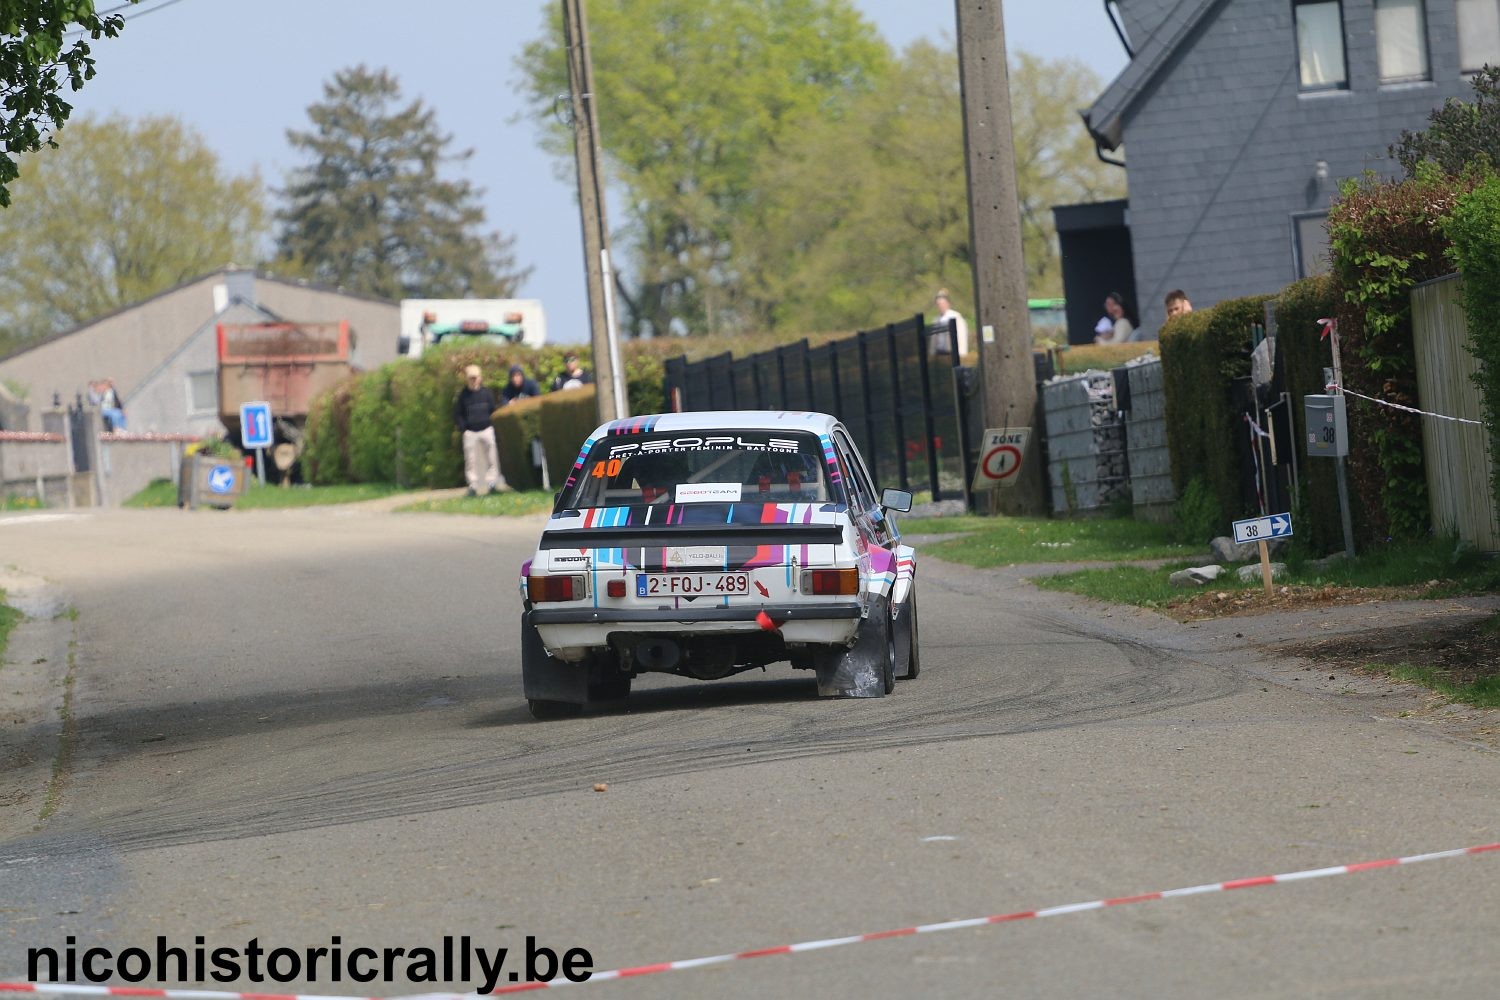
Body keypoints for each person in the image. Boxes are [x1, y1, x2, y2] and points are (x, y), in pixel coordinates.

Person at [452, 365, 506, 496]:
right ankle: (473, 486)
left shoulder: (486, 393)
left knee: (492, 457)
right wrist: (464, 427)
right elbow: (457, 414)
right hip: (470, 431)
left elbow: (492, 410)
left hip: (486, 429)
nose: (473, 380)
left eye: (475, 378)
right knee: (470, 460)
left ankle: (492, 483)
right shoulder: (463, 396)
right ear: (467, 379)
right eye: (471, 378)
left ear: (480, 378)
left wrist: (491, 424)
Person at [928, 289, 970, 357]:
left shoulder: (956, 317)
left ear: (948, 303)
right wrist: (932, 353)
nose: (941, 306)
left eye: (943, 303)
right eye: (939, 304)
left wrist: (962, 354)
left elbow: (962, 337)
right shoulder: (936, 320)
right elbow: (933, 340)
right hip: (939, 353)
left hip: (952, 353)